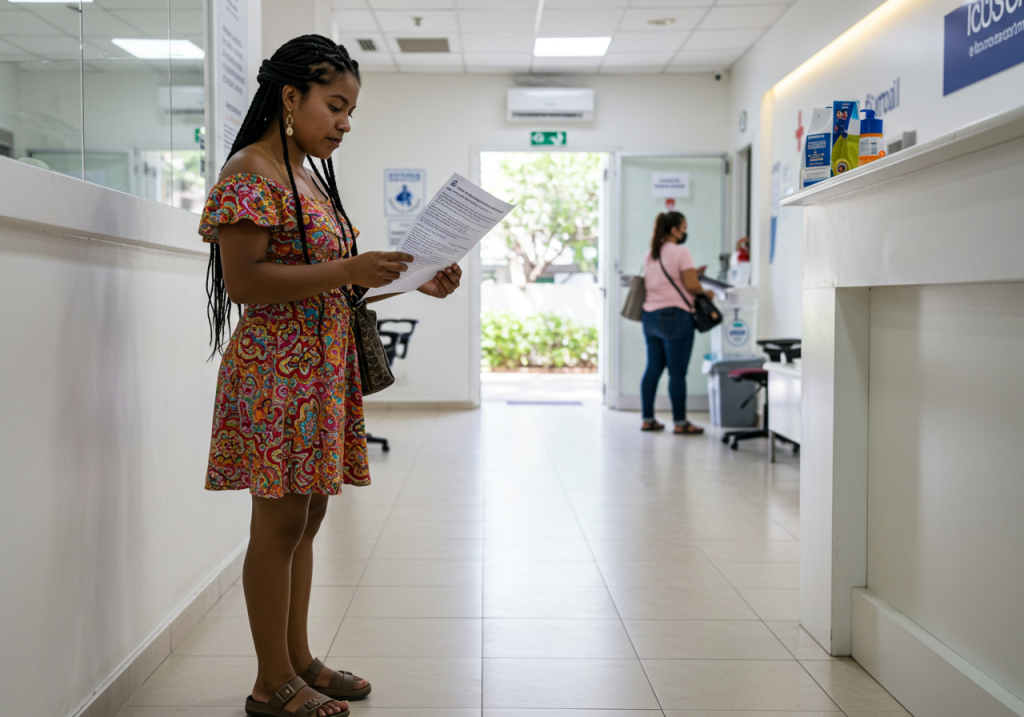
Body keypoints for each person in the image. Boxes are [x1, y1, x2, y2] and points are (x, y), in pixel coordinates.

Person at [199, 35, 462, 717]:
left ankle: (300, 660)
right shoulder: (249, 172)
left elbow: (331, 289)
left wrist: (412, 282)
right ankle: (269, 683)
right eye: (335, 106)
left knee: (307, 520)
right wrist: (349, 269)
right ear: (291, 97)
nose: (345, 121)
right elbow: (247, 283)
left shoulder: (308, 176)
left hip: (319, 369)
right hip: (276, 373)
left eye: (351, 110)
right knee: (278, 525)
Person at [639, 211, 714, 435]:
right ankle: (680, 423)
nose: (685, 233)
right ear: (674, 230)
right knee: (677, 373)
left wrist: (691, 274)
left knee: (653, 368)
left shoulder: (650, 254)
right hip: (675, 317)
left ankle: (647, 419)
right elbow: (691, 286)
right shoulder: (681, 252)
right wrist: (706, 293)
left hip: (650, 317)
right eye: (684, 228)